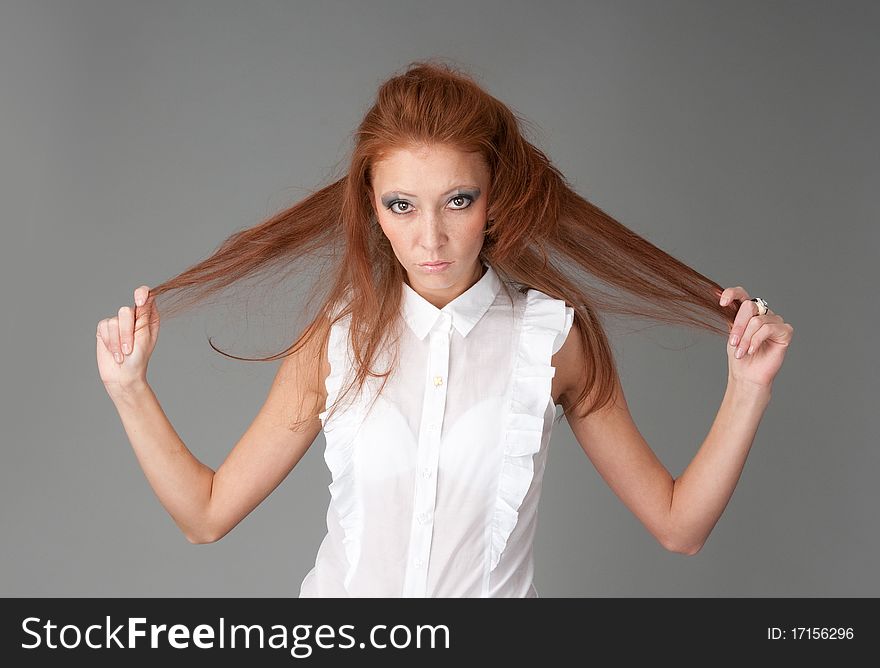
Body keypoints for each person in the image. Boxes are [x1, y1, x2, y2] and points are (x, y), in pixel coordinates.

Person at [95, 60, 794, 597]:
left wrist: (747, 387)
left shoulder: (551, 341)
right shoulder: (334, 343)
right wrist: (129, 389)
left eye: (458, 200)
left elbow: (680, 527)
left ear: (494, 197)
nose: (430, 237)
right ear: (371, 208)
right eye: (401, 205)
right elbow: (207, 515)